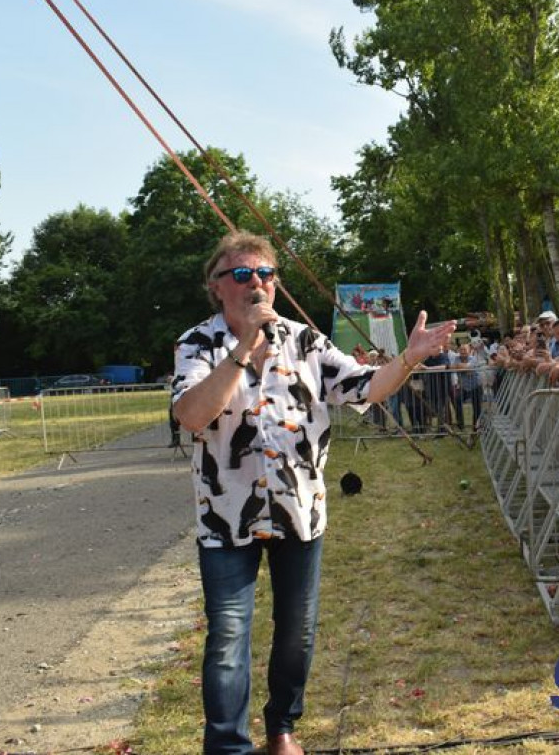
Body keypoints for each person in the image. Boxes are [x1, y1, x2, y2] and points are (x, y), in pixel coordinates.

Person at [171, 231, 454, 755]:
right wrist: (242, 350)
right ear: (216, 287)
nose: (257, 283)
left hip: (298, 512)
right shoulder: (198, 344)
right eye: (242, 274)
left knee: (296, 633)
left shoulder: (305, 341)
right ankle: (229, 746)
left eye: (266, 274)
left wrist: (410, 358)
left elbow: (366, 387)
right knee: (229, 639)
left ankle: (282, 728)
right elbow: (191, 415)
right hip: (225, 518)